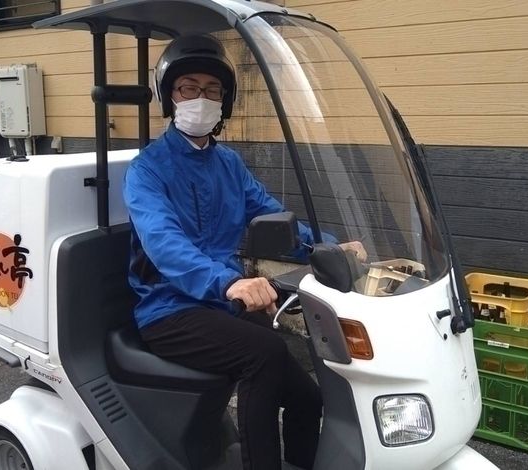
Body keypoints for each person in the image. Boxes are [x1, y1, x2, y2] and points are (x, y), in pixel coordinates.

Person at [123, 34, 365, 470]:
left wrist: (328, 247)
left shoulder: (228, 164)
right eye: (189, 88)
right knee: (263, 354)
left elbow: (274, 219)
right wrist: (230, 282)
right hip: (169, 309)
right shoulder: (147, 169)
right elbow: (165, 244)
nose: (201, 98)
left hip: (221, 303)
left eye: (212, 90)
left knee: (308, 398)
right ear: (169, 97)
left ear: (225, 101)